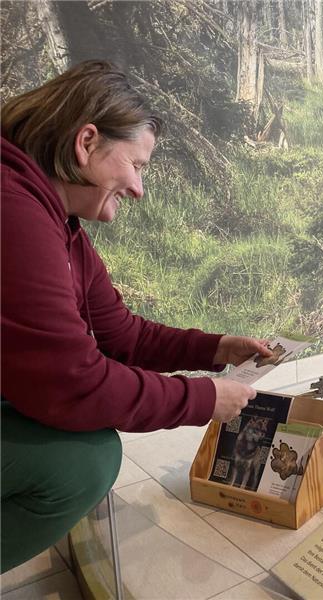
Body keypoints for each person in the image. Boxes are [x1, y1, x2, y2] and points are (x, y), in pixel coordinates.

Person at [0, 60, 272, 573]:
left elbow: (119, 333)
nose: (140, 189)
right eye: (138, 166)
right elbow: (76, 385)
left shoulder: (56, 221)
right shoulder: (13, 213)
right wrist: (203, 399)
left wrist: (214, 349)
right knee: (84, 463)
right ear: (86, 143)